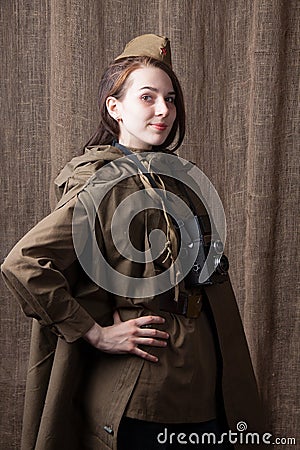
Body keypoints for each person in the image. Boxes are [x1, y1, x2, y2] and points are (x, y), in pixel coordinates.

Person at [1, 34, 265, 450]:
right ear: (115, 107)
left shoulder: (181, 181)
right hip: (146, 392)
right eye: (148, 97)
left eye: (171, 98)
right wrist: (94, 333)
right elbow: (25, 264)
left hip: (207, 382)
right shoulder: (103, 183)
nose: (164, 110)